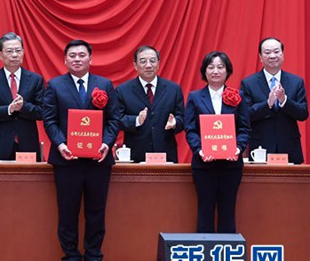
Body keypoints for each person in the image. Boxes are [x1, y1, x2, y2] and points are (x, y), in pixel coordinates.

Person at [42, 40, 120, 261]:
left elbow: (114, 119)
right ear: (65, 60)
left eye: (82, 55)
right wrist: (61, 143)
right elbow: (50, 120)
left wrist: (107, 143)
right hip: (67, 160)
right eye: (72, 55)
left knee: (96, 210)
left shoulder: (104, 85)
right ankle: (71, 257)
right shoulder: (55, 85)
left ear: (90, 59)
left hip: (98, 159)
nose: (77, 59)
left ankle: (94, 256)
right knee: (68, 211)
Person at [185, 51, 250, 233]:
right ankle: (205, 258)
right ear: (204, 71)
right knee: (204, 211)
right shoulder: (195, 97)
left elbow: (245, 128)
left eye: (220, 67)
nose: (215, 71)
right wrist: (199, 150)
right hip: (204, 164)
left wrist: (237, 148)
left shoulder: (238, 96)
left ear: (227, 71)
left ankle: (227, 258)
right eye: (211, 67)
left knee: (227, 211)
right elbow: (190, 130)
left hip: (231, 166)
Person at [0, 32, 45, 161]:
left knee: (28, 181)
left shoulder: (35, 80)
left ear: (23, 52)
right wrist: (9, 109)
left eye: (18, 51)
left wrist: (23, 107)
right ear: (0, 55)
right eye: (9, 51)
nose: (14, 55)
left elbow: (42, 112)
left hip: (27, 144)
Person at [240, 37, 307, 164]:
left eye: (276, 51)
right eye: (267, 52)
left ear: (282, 55)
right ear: (260, 57)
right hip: (260, 148)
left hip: (289, 146)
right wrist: (267, 104)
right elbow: (245, 115)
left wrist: (284, 100)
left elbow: (303, 113)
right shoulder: (249, 83)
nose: (272, 56)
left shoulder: (296, 82)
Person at [116, 46, 185, 162]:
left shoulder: (173, 89)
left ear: (158, 64)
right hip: (136, 155)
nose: (148, 65)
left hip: (166, 154)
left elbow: (182, 119)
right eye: (143, 61)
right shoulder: (123, 90)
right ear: (135, 65)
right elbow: (117, 119)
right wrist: (137, 120)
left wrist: (175, 123)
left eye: (152, 61)